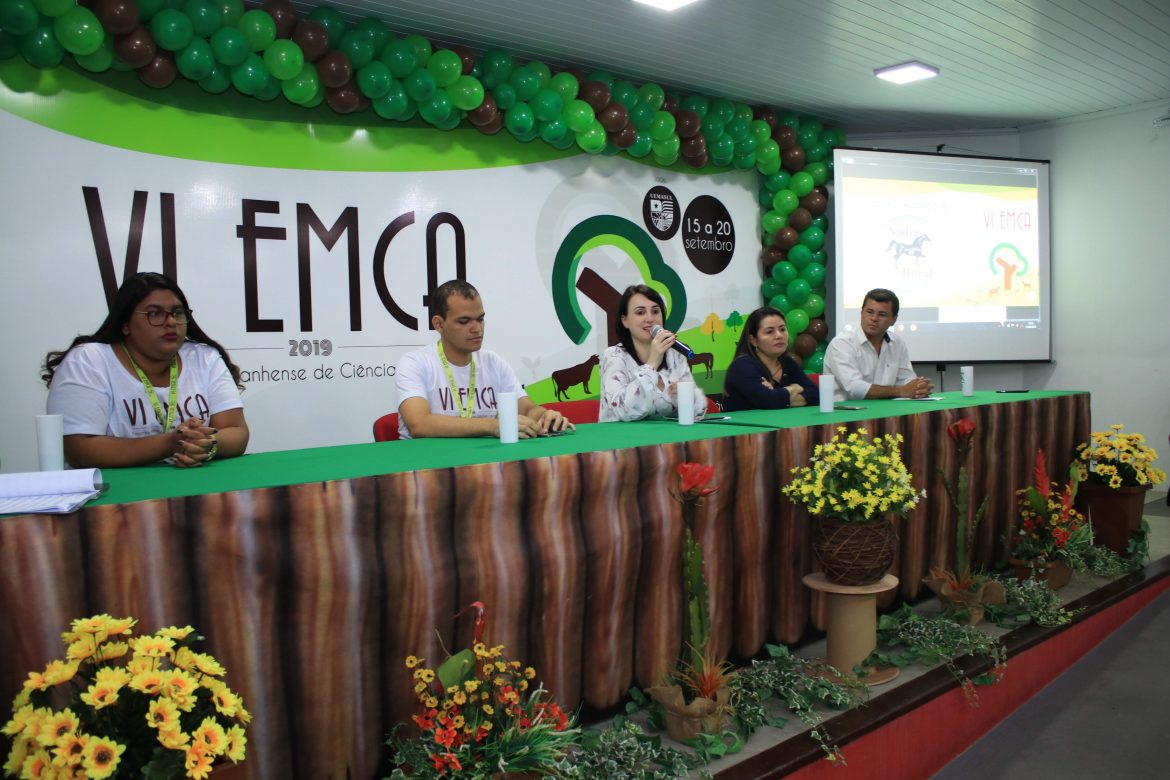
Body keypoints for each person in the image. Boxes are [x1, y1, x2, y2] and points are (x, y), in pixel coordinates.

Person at [43, 272, 248, 468]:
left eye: (177, 313)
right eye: (154, 314)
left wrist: (207, 444)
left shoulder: (203, 357)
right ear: (125, 324)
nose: (170, 322)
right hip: (116, 493)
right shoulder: (89, 360)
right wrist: (169, 444)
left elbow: (237, 432)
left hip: (194, 482)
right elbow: (79, 450)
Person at [395, 280, 572, 439]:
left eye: (480, 319)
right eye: (464, 321)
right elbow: (419, 424)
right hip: (429, 465)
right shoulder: (415, 362)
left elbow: (526, 409)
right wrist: (493, 426)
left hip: (483, 463)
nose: (477, 329)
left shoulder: (493, 362)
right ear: (439, 324)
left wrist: (544, 416)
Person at [599, 284, 706, 422]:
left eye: (655, 311)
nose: (650, 319)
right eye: (640, 312)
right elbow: (623, 411)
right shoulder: (614, 356)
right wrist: (652, 363)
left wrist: (687, 396)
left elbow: (699, 410)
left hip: (667, 440)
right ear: (625, 321)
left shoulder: (675, 355)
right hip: (622, 441)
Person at [823, 288, 933, 401]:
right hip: (845, 414)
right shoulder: (842, 343)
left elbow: (907, 379)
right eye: (869, 312)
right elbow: (855, 388)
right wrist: (901, 391)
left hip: (886, 411)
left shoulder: (897, 343)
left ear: (893, 320)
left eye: (882, 314)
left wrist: (918, 387)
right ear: (861, 313)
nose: (874, 318)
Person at [722, 306, 818, 411]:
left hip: (783, 424)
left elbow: (816, 395)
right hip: (747, 426)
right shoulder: (742, 366)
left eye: (782, 329)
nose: (779, 335)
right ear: (753, 340)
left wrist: (779, 396)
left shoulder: (788, 363)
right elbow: (769, 401)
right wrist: (795, 388)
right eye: (769, 332)